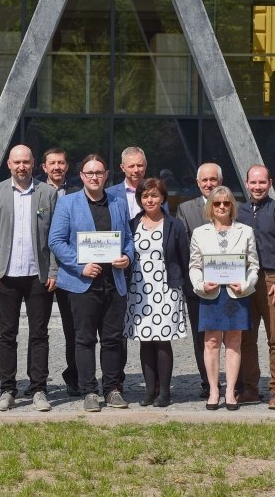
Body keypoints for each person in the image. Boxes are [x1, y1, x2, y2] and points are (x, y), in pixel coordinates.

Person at [49, 154, 134, 412]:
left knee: (111, 339)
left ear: (106, 175)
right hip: (81, 283)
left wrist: (127, 257)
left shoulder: (118, 203)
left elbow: (128, 238)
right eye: (89, 173)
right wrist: (79, 265)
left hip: (114, 281)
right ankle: (89, 391)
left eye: (99, 172)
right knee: (84, 339)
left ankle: (112, 389)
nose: (94, 177)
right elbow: (56, 241)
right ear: (82, 176)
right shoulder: (68, 203)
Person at [0, 145, 58, 412]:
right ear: (9, 164)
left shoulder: (47, 193)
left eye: (26, 161)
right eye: (17, 162)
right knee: (7, 334)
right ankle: (7, 390)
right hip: (7, 274)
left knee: (39, 334)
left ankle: (39, 389)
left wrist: (53, 271)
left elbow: (56, 236)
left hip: (38, 275)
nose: (21, 166)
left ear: (34, 163)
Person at [189, 186, 259, 410]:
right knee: (211, 342)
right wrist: (200, 284)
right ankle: (213, 390)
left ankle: (230, 390)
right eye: (217, 203)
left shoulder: (246, 231)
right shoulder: (200, 232)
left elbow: (254, 266)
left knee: (234, 341)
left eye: (226, 203)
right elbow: (194, 266)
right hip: (210, 293)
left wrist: (246, 284)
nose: (221, 207)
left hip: (236, 293)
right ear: (210, 206)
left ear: (232, 206)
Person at [106, 147, 168, 390]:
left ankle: (156, 383)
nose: (136, 170)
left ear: (146, 165)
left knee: (151, 329)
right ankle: (116, 380)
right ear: (122, 168)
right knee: (117, 330)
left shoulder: (156, 192)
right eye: (131, 166)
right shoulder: (110, 194)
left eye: (140, 165)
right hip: (118, 269)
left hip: (152, 274)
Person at [125, 178, 189, 407]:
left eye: (154, 195)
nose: (149, 200)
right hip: (139, 290)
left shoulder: (174, 225)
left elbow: (184, 258)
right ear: (139, 199)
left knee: (162, 341)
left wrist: (181, 285)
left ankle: (165, 392)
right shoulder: (132, 224)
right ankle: (149, 391)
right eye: (145, 196)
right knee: (145, 341)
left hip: (166, 289)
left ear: (163, 197)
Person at [237, 165, 275, 409]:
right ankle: (250, 389)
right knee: (245, 339)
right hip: (243, 280)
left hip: (272, 280)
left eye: (262, 183)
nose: (257, 187)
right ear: (247, 183)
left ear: (269, 183)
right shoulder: (237, 211)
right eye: (253, 182)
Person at [176, 163, 234, 398]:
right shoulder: (185, 208)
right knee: (204, 337)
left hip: (232, 284)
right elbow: (184, 247)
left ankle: (233, 382)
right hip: (199, 285)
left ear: (220, 180)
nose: (209, 184)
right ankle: (207, 382)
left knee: (231, 335)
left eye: (213, 179)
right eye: (204, 180)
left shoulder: (230, 205)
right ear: (198, 183)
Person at [41, 147, 82, 396]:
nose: (57, 167)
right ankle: (39, 382)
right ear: (43, 167)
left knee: (73, 329)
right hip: (41, 273)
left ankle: (74, 376)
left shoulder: (79, 193)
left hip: (71, 272)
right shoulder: (34, 193)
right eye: (52, 163)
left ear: (67, 167)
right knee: (38, 330)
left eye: (61, 163)